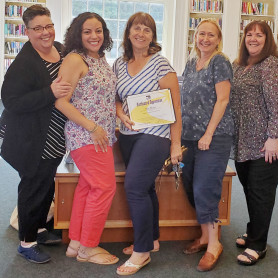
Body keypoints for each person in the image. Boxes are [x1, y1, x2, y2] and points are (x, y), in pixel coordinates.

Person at [0, 4, 72, 264]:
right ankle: (27, 242)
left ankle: (40, 229)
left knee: (46, 185)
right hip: (30, 140)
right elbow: (11, 101)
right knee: (32, 187)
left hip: (53, 135)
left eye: (49, 26)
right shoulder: (24, 64)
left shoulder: (61, 49)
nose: (45, 32)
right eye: (38, 28)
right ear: (27, 32)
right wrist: (49, 93)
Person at [113, 12, 182, 275]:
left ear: (153, 36)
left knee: (134, 187)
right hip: (129, 135)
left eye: (147, 30)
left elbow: (176, 107)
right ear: (128, 32)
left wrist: (175, 145)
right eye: (136, 28)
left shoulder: (160, 64)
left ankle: (142, 253)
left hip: (156, 135)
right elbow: (116, 97)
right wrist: (120, 113)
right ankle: (152, 240)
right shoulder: (119, 63)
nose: (141, 33)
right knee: (146, 188)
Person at [231, 20, 278, 266]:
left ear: (267, 39)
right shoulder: (239, 66)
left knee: (260, 190)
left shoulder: (272, 65)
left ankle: (258, 245)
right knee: (249, 186)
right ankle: (253, 231)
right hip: (246, 138)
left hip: (271, 140)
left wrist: (274, 137)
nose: (253, 39)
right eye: (249, 34)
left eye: (259, 35)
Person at [55, 12, 119, 265]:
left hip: (101, 135)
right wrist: (92, 127)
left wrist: (119, 116)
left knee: (88, 187)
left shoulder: (101, 59)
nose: (94, 36)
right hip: (86, 136)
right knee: (104, 188)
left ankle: (76, 243)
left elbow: (103, 98)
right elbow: (61, 102)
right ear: (77, 34)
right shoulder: (74, 59)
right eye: (87, 31)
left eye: (99, 30)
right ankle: (89, 248)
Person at [180, 19, 234, 272]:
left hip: (214, 136)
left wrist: (208, 134)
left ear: (218, 39)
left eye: (211, 35)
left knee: (205, 188)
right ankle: (204, 236)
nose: (205, 39)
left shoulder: (220, 62)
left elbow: (222, 101)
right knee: (191, 186)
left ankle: (214, 244)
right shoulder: (191, 62)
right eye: (202, 33)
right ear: (195, 36)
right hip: (189, 136)